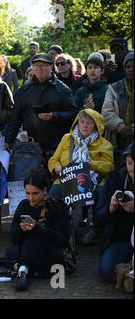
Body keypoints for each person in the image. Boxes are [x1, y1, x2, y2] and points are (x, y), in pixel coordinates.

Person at [48, 109, 114, 244]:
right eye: (82, 122)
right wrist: (56, 168)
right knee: (53, 194)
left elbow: (109, 166)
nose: (84, 126)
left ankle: (97, 230)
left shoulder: (105, 144)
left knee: (100, 193)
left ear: (96, 125)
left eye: (89, 123)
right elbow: (53, 160)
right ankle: (58, 228)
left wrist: (92, 164)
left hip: (94, 179)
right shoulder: (67, 138)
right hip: (67, 177)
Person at [10, 170, 72, 291]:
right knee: (30, 237)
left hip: (53, 255)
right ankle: (23, 271)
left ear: (44, 190)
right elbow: (13, 237)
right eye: (27, 193)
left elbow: (63, 240)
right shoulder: (24, 205)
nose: (31, 198)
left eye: (35, 193)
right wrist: (21, 229)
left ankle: (22, 271)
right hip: (30, 253)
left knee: (33, 236)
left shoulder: (57, 206)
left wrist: (38, 229)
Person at [5, 53, 78, 153]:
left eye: (43, 65)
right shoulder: (24, 91)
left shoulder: (63, 90)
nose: (39, 68)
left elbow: (74, 113)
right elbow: (15, 119)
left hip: (56, 145)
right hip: (31, 145)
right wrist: (8, 140)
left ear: (51, 67)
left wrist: (54, 116)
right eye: (36, 65)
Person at [96, 142, 134, 280]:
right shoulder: (116, 178)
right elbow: (99, 218)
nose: (133, 169)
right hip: (122, 240)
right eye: (130, 163)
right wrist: (111, 208)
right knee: (106, 270)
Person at [102, 51, 133, 160]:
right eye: (128, 66)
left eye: (133, 66)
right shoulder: (113, 88)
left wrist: (132, 129)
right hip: (117, 139)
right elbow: (106, 112)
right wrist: (121, 127)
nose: (130, 69)